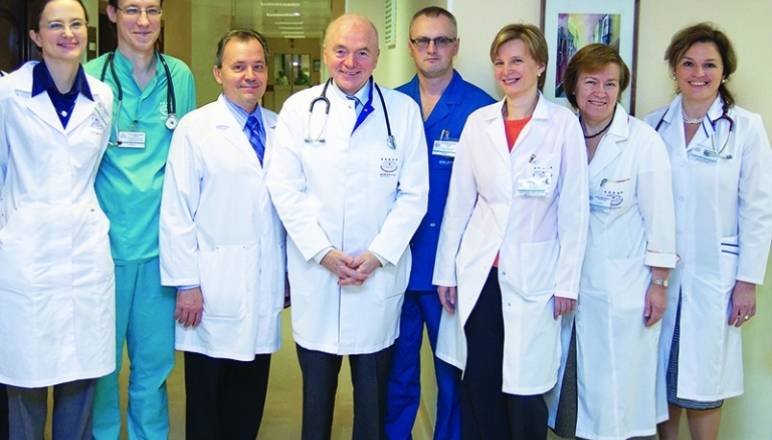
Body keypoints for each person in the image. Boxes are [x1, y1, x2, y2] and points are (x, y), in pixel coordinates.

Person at [266, 13, 429, 440]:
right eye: (340, 51)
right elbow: (284, 189)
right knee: (315, 404)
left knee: (372, 405)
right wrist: (323, 253)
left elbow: (414, 195)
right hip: (319, 277)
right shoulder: (299, 110)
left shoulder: (403, 112)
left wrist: (376, 256)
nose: (350, 62)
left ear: (377, 57)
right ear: (325, 54)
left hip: (376, 279)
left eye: (361, 52)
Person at [432, 24, 588, 440]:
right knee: (480, 381)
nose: (507, 70)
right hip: (481, 275)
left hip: (535, 277)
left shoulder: (562, 125)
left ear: (541, 65)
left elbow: (574, 212)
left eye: (517, 60)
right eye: (499, 62)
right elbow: (458, 204)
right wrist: (446, 273)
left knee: (525, 391)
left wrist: (567, 282)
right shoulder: (478, 123)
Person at [644, 23, 772, 440]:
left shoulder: (745, 127)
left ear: (724, 71)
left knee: (705, 384)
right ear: (674, 69)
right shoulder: (653, 126)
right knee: (661, 378)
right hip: (661, 276)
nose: (698, 73)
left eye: (709, 65)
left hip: (717, 277)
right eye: (688, 63)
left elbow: (758, 209)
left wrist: (747, 282)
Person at [544, 44, 676, 440]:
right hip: (568, 286)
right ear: (573, 86)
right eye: (591, 82)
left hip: (623, 289)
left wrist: (659, 283)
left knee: (616, 399)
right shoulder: (558, 135)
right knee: (572, 397)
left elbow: (661, 221)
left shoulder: (641, 141)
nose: (600, 93)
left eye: (610, 84)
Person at [159, 29, 284, 440]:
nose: (250, 75)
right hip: (210, 291)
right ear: (218, 73)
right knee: (207, 408)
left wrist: (286, 275)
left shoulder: (279, 128)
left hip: (262, 286)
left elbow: (285, 212)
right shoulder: (195, 129)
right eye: (238, 66)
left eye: (258, 66)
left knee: (248, 404)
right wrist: (186, 284)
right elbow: (176, 212)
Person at [0, 0, 115, 437]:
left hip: (85, 251)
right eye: (55, 25)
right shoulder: (9, 94)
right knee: (26, 379)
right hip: (27, 252)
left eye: (76, 24)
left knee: (81, 377)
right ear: (35, 36)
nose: (68, 33)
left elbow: (91, 167)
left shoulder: (102, 97)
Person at [84, 0, 197, 438]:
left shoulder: (179, 76)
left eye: (153, 9)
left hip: (159, 252)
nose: (144, 21)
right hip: (102, 250)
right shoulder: (90, 77)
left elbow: (187, 164)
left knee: (154, 366)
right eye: (132, 9)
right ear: (112, 13)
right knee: (101, 366)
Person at [385, 7, 495, 440]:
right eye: (422, 40)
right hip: (396, 263)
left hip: (451, 270)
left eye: (442, 40)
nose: (432, 49)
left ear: (456, 46)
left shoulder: (481, 110)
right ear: (410, 46)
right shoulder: (390, 105)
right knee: (396, 373)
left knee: (452, 375)